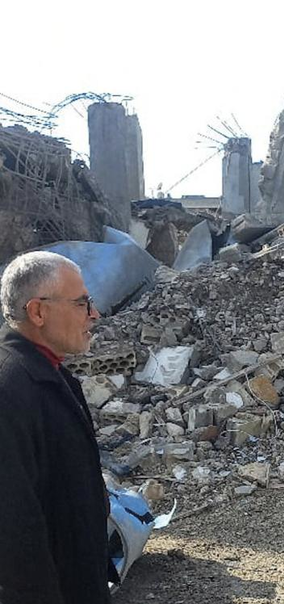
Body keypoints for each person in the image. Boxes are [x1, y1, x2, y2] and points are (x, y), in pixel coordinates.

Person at [0, 251, 111, 604]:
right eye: (81, 304)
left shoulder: (49, 373)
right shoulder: (9, 388)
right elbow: (13, 526)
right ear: (37, 312)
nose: (94, 314)